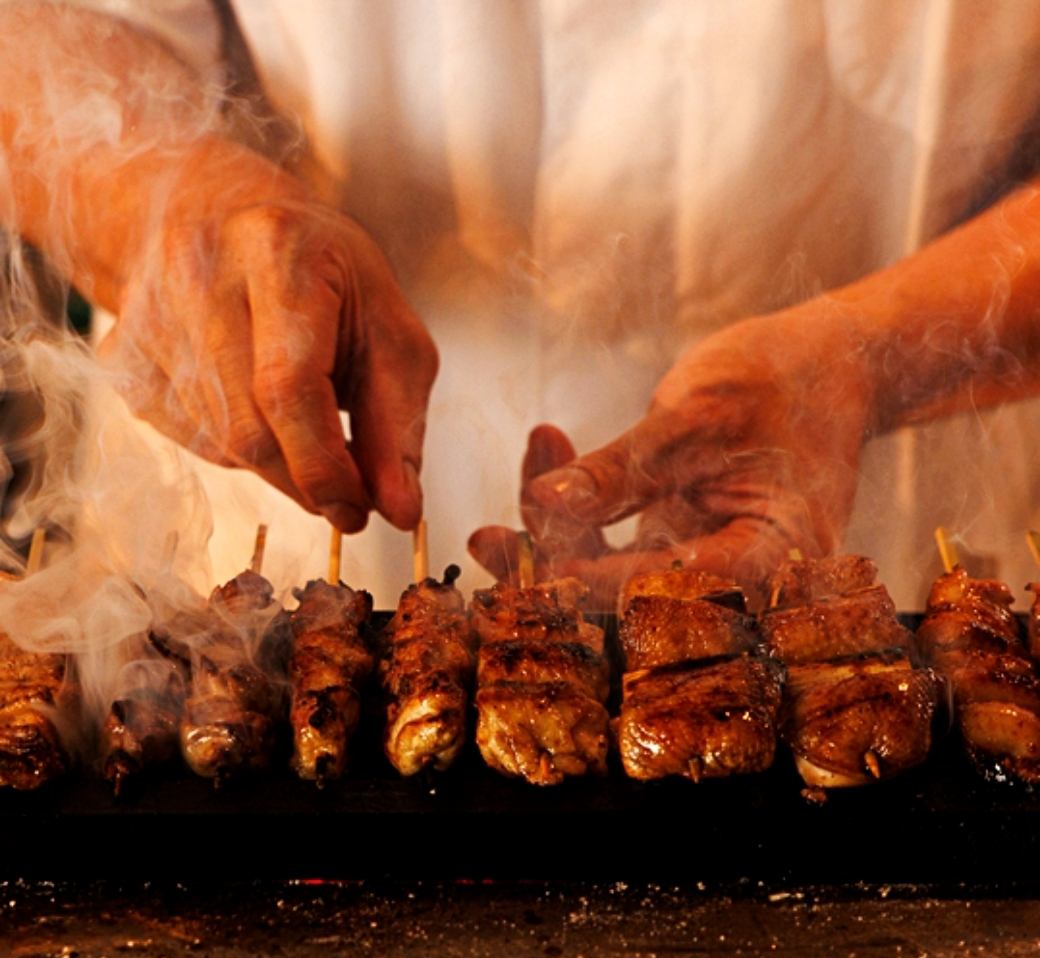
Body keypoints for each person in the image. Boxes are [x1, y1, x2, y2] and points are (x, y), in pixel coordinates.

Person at [3, 0, 1040, 607]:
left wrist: (870, 354)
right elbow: (53, 26)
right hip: (272, 539)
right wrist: (168, 199)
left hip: (890, 547)